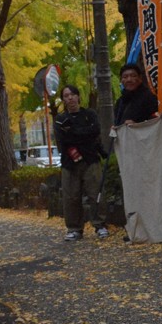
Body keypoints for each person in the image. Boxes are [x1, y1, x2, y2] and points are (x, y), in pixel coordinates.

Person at [55, 85, 108, 241]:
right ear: (63, 100)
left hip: (91, 159)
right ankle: (74, 228)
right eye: (66, 95)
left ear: (78, 96)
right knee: (71, 196)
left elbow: (95, 131)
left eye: (72, 94)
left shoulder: (89, 114)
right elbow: (63, 140)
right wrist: (83, 134)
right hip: (69, 162)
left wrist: (74, 132)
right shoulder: (60, 119)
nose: (70, 98)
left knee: (96, 193)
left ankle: (100, 225)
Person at [114, 62, 161, 127]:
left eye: (133, 76)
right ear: (121, 80)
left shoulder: (149, 97)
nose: (129, 80)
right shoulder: (120, 102)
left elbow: (157, 120)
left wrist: (138, 125)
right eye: (125, 77)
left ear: (140, 78)